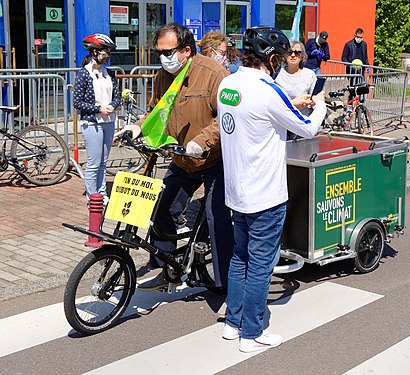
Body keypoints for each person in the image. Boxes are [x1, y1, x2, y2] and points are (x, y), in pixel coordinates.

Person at [217, 26, 326, 353]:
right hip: (264, 193)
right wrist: (318, 104)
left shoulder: (228, 84)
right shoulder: (267, 89)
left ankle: (232, 323)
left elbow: (257, 116)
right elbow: (305, 128)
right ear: (273, 58)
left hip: (236, 191)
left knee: (240, 257)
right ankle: (251, 333)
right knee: (261, 264)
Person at [117, 22, 234, 291]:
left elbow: (225, 117)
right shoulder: (163, 76)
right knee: (161, 208)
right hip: (181, 158)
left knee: (217, 218)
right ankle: (167, 268)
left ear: (186, 50)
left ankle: (227, 285)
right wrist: (137, 127)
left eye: (168, 52)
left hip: (214, 158)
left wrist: (200, 142)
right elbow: (156, 110)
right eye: (159, 52)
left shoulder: (212, 73)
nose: (163, 58)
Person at [74, 33, 120, 203]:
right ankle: (92, 196)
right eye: (104, 51)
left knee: (104, 162)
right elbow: (77, 102)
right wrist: (98, 108)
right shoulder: (84, 74)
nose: (107, 55)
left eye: (108, 51)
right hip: (92, 123)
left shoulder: (110, 74)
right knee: (94, 163)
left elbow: (117, 96)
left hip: (109, 121)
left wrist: (113, 106)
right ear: (94, 52)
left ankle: (102, 193)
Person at [274, 41, 317, 110]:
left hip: (303, 117)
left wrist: (312, 102)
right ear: (284, 55)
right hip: (282, 116)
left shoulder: (310, 74)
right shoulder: (276, 74)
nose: (293, 55)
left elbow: (314, 97)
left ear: (302, 56)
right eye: (290, 52)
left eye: (297, 53)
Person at [341, 28, 369, 98]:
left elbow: (365, 56)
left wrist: (367, 65)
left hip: (361, 70)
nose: (359, 39)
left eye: (361, 37)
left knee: (361, 88)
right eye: (358, 37)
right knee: (353, 88)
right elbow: (344, 57)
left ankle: (360, 104)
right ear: (355, 35)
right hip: (351, 71)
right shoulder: (348, 45)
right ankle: (350, 104)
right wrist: (350, 65)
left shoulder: (364, 44)